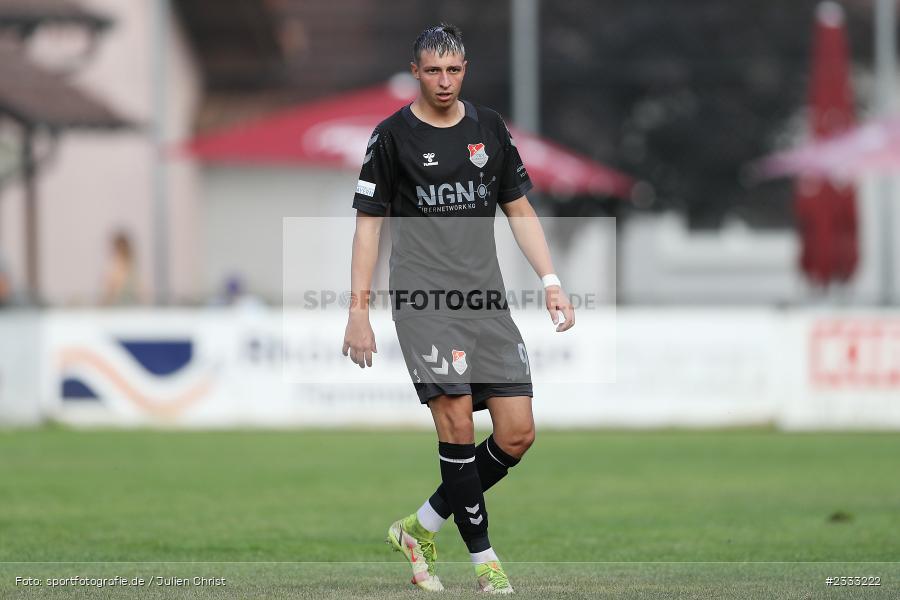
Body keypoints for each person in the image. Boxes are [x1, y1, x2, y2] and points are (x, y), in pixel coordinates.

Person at [342, 24, 574, 594]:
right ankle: (485, 561)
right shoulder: (391, 137)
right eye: (433, 71)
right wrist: (358, 311)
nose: (444, 81)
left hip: (486, 301)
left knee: (518, 432)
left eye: (453, 70)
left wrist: (550, 280)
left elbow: (519, 210)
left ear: (464, 70)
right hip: (425, 301)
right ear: (416, 71)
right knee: (457, 423)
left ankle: (418, 527)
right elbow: (368, 229)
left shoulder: (489, 128)